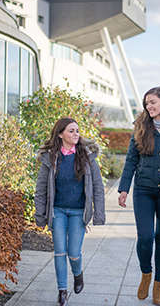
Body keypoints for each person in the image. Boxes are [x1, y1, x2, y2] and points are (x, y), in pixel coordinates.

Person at [118, 86, 160, 306]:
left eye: (153, 102)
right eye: (147, 103)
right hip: (143, 190)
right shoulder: (140, 126)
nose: (149, 106)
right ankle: (146, 273)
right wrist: (124, 189)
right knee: (145, 237)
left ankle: (158, 285)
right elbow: (130, 160)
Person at [34, 117, 106, 306]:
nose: (76, 134)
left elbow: (98, 187)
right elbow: (41, 189)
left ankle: (78, 274)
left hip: (78, 212)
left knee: (74, 252)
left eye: (77, 131)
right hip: (57, 211)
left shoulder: (87, 157)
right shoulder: (51, 158)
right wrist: (40, 216)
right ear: (60, 134)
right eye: (71, 131)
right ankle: (62, 291)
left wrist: (98, 214)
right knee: (59, 252)